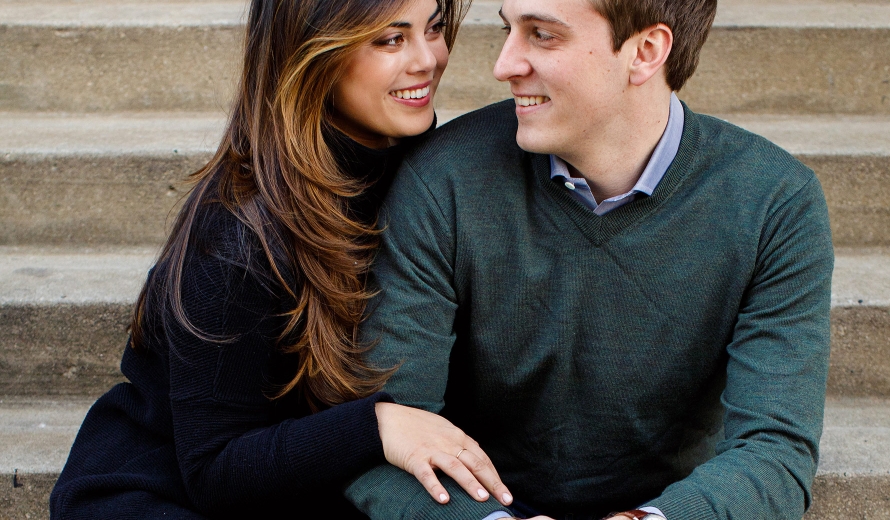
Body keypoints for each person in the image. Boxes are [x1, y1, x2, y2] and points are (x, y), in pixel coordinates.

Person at [345, 0, 834, 518]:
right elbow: (385, 431)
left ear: (645, 52)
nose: (503, 65)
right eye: (510, 29)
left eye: (543, 35)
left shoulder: (774, 203)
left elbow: (774, 449)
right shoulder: (442, 179)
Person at [49, 0, 519, 517]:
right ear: (312, 53)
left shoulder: (429, 175)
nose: (428, 59)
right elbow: (213, 471)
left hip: (313, 488)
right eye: (390, 39)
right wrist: (379, 424)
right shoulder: (237, 238)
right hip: (162, 493)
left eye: (434, 28)